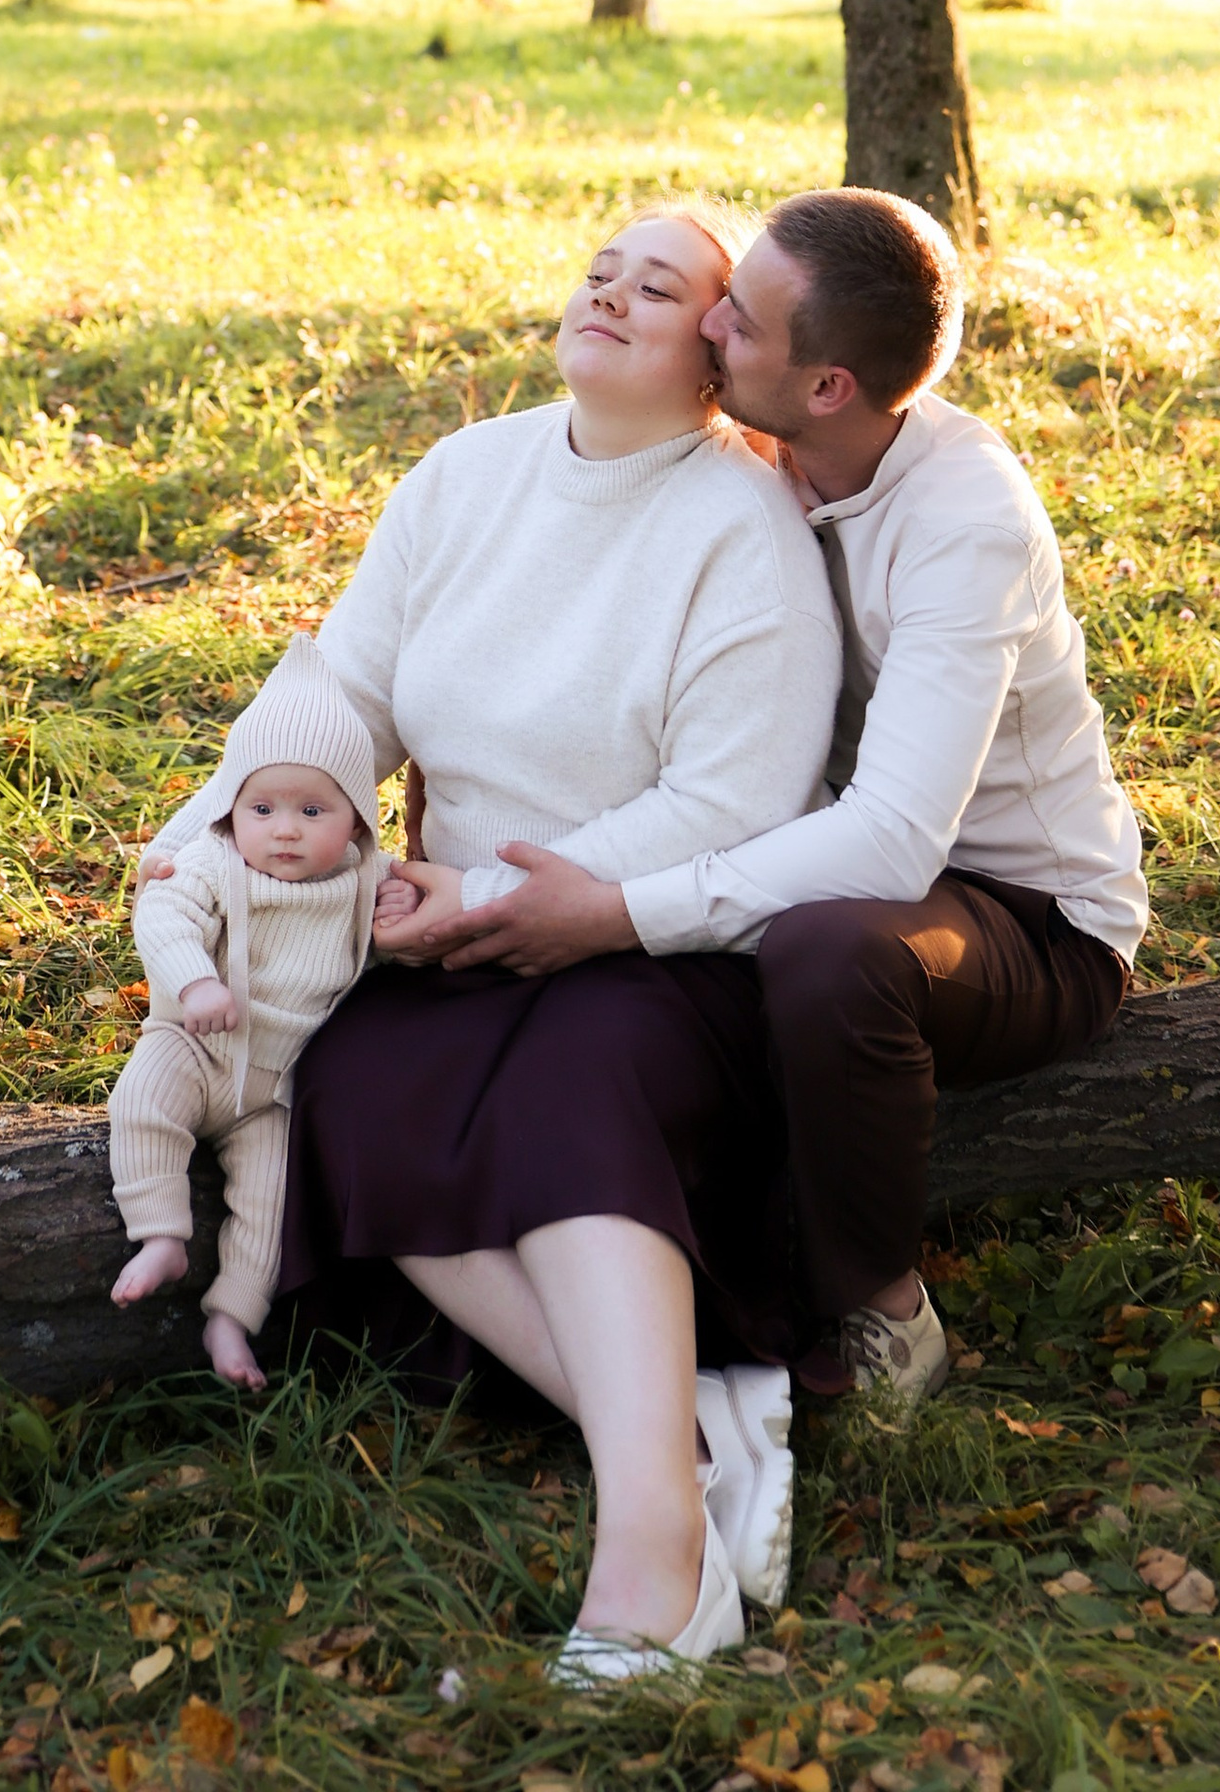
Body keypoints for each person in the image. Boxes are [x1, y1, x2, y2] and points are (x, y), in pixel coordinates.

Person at [233, 209, 845, 1687]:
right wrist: (221, 833)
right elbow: (346, 697)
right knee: (360, 1094)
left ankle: (655, 1550)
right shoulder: (465, 477)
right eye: (597, 272)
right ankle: (703, 1425)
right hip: (448, 922)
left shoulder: (739, 527)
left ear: (718, 355)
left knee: (573, 1094)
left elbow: (731, 802)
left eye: (660, 287)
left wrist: (532, 902)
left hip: (661, 936)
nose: (611, 294)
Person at [451, 188, 1146, 1410]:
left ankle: (881, 1306)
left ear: (826, 386)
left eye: (740, 319)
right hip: (809, 843)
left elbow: (889, 843)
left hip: (1016, 916)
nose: (709, 323)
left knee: (826, 950)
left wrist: (619, 909)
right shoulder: (762, 447)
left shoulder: (961, 518)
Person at [107, 640, 392, 1393]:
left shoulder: (364, 878)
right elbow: (163, 916)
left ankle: (232, 1315)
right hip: (196, 1045)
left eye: (313, 810)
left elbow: (392, 936)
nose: (285, 830)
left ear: (358, 822)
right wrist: (195, 983)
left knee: (272, 1200)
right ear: (233, 805)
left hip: (276, 1086)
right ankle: (162, 1231)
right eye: (263, 808)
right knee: (142, 1101)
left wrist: (405, 908)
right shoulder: (212, 859)